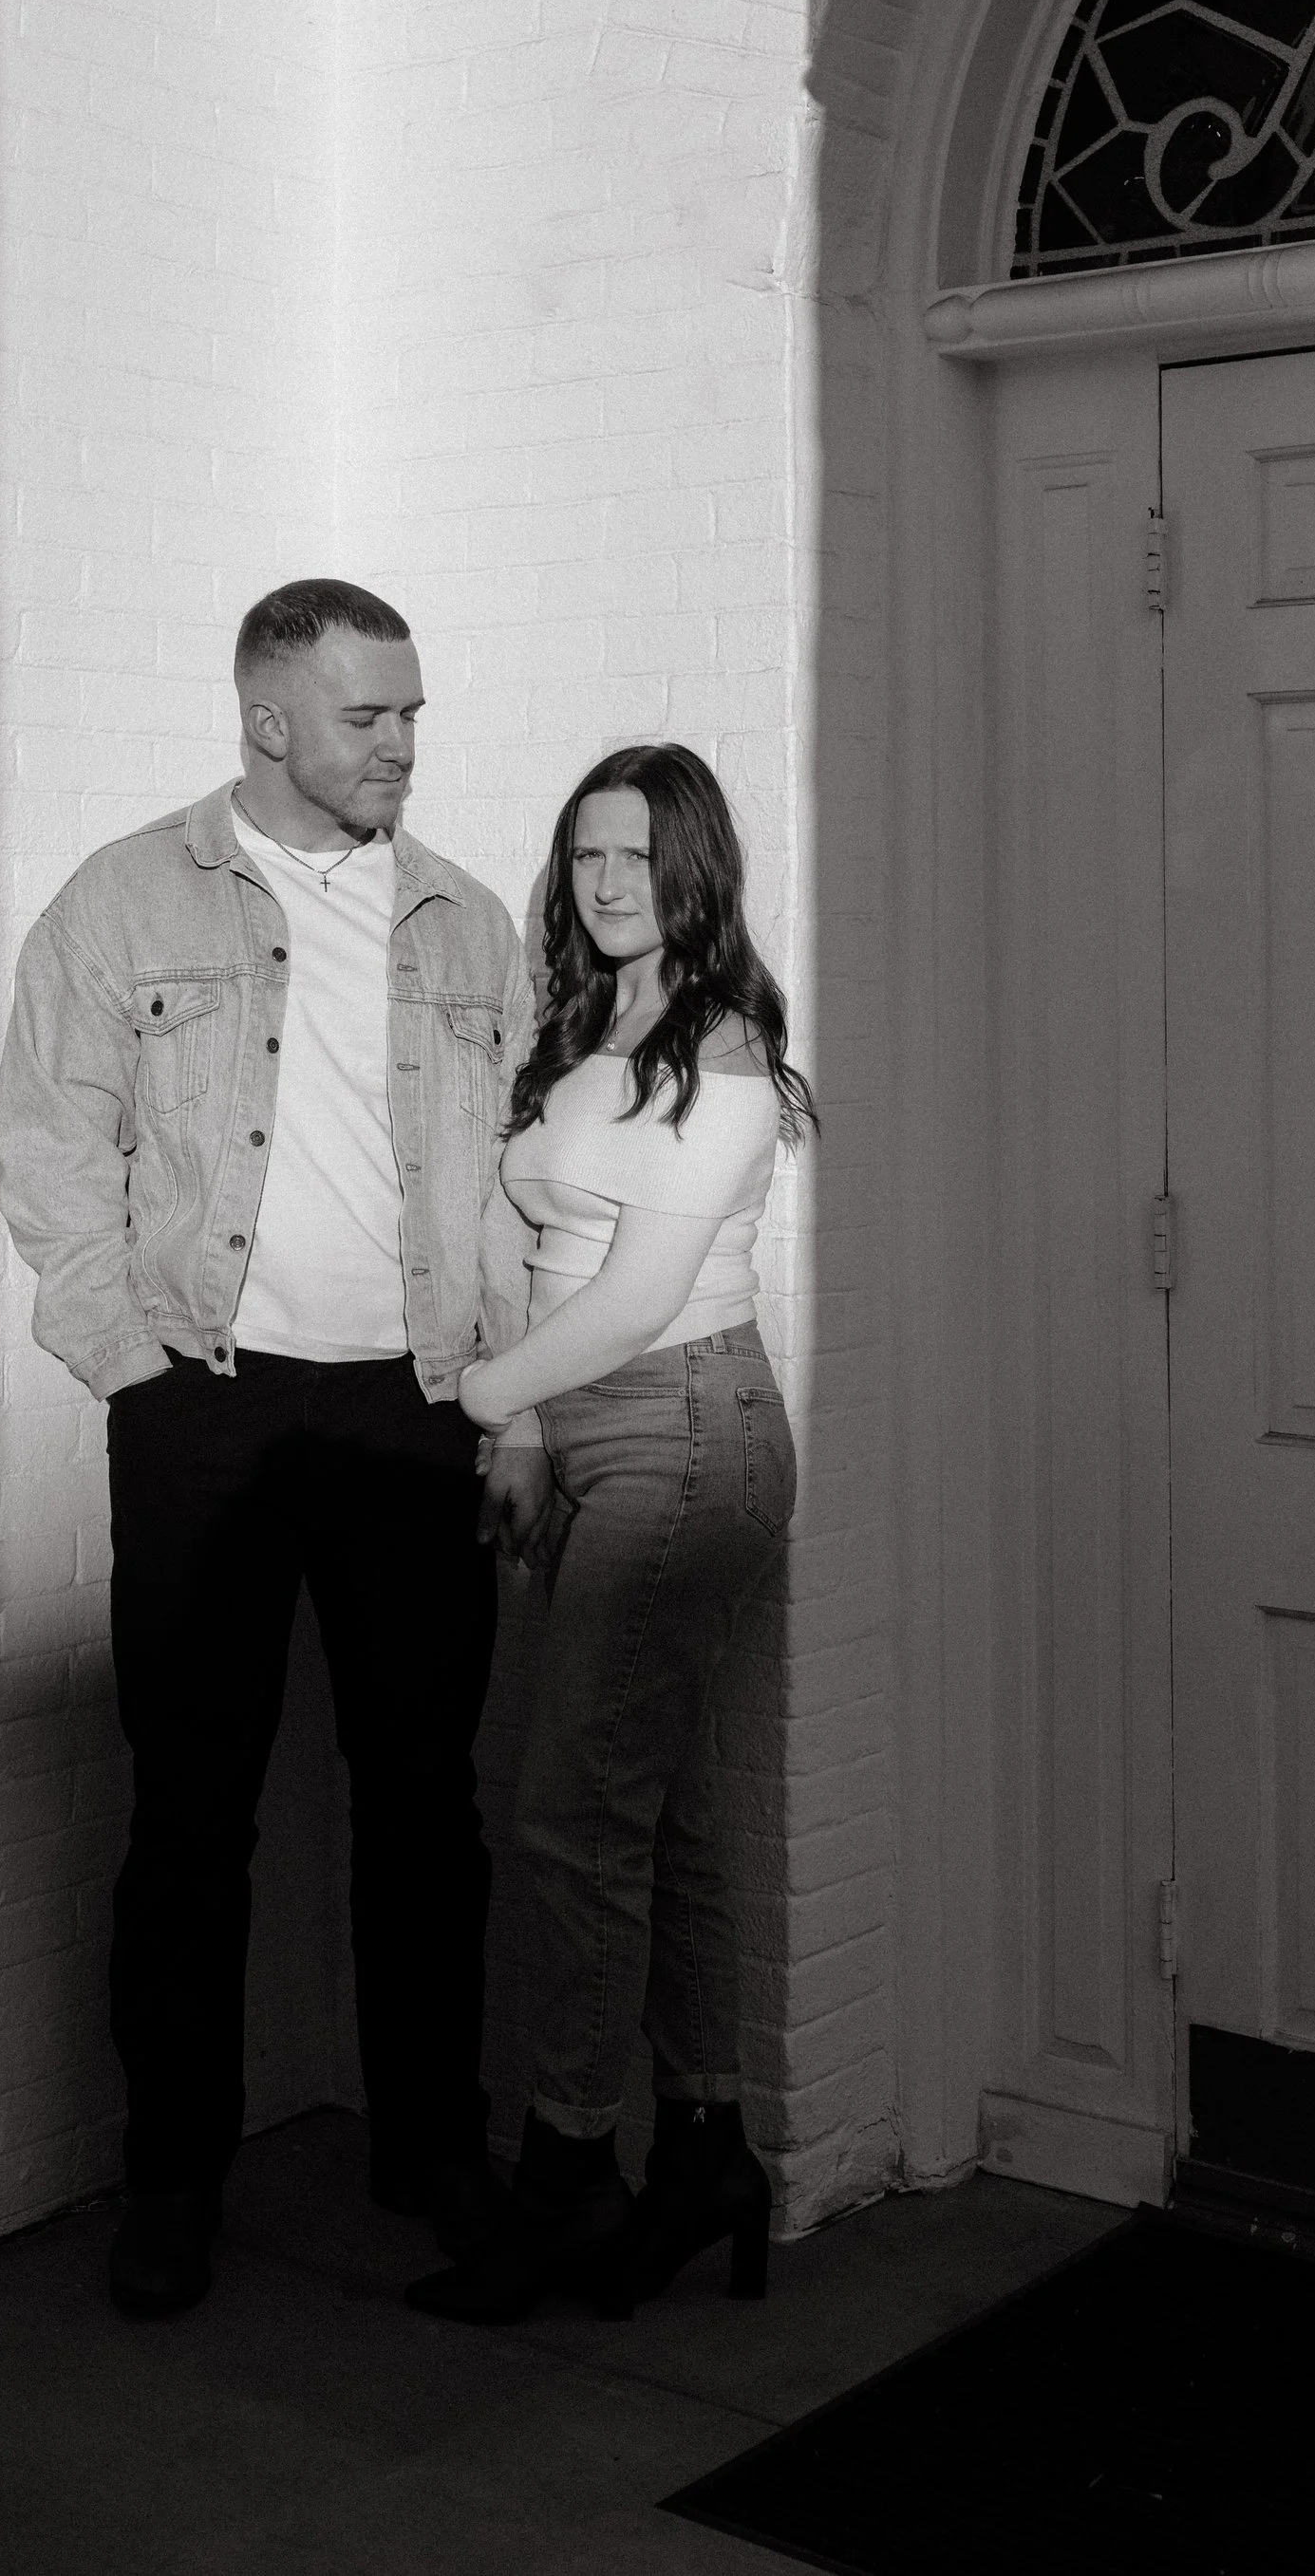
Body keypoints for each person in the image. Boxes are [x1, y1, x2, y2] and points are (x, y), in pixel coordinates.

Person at [0, 580, 552, 2320]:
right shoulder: (124, 897)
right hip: (210, 1403)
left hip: (415, 1403)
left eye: (410, 713)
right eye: (369, 716)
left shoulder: (466, 922)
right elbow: (50, 1136)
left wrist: (514, 1393)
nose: (402, 744)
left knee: (424, 1800)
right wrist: (134, 1367)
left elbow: (523, 1184)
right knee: (189, 1811)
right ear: (268, 721)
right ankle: (176, 2178)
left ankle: (431, 2141)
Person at [406, 742, 814, 2326]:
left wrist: (475, 1394)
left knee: (572, 1814)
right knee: (664, 1814)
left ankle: (568, 2174)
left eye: (638, 852)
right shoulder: (574, 1023)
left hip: (685, 1430)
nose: (607, 880)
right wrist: (518, 1425)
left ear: (695, 863)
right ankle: (706, 2148)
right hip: (574, 1429)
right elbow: (523, 1237)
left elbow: (639, 1295)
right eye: (585, 853)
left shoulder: (725, 1047)